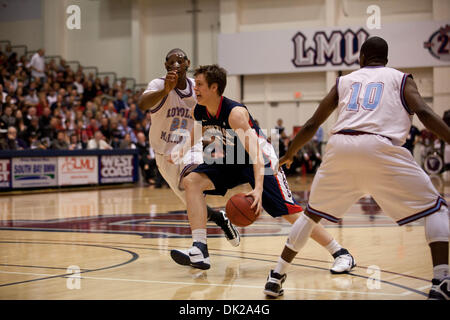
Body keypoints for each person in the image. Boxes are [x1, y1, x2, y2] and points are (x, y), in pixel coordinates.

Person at [263, 36, 449, 300]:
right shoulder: (401, 78)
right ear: (386, 59)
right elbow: (425, 114)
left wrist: (290, 153)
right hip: (380, 147)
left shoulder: (344, 80)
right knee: (437, 208)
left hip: (340, 148)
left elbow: (312, 124)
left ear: (361, 58)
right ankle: (442, 280)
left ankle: (276, 275)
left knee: (310, 216)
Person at [170, 64, 355, 272]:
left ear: (214, 88)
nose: (195, 88)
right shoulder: (200, 109)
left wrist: (258, 189)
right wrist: (182, 149)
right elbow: (199, 131)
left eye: (200, 85)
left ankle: (340, 252)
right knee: (191, 181)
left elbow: (256, 154)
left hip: (260, 159)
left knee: (291, 214)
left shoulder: (235, 114)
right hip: (232, 158)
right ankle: (199, 248)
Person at [138, 48, 240, 247]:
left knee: (191, 181)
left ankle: (199, 247)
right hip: (163, 153)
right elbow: (142, 104)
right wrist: (165, 91)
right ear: (166, 65)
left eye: (180, 60)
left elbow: (215, 108)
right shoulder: (158, 84)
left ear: (188, 64)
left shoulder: (196, 88)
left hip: (190, 146)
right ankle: (219, 218)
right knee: (193, 201)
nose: (175, 64)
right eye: (171, 61)